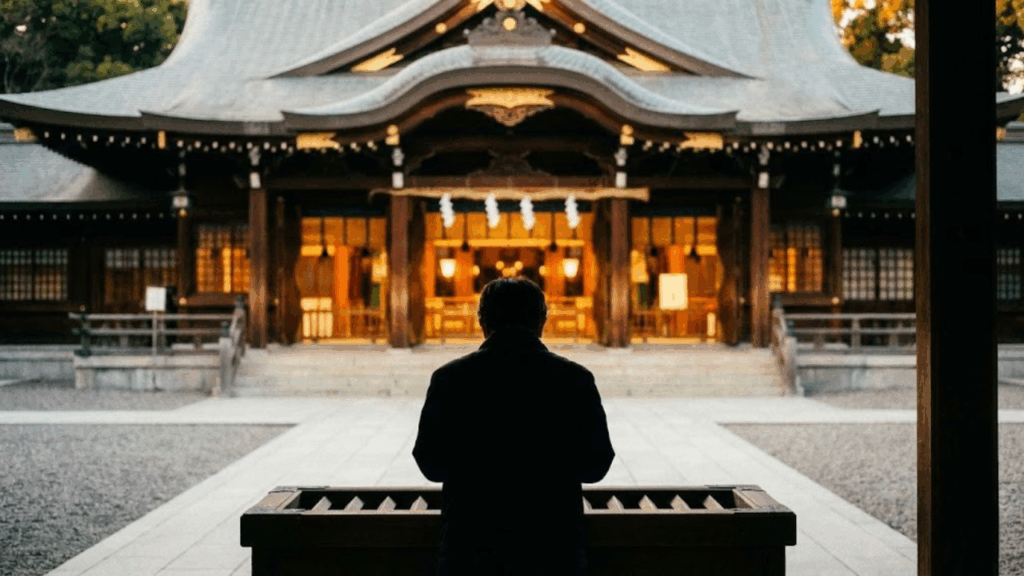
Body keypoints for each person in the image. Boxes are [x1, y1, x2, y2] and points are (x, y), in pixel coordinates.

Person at [413, 277, 616, 576]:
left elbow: (430, 464)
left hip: (470, 544)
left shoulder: (451, 379)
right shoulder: (573, 379)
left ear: (482, 321)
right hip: (553, 545)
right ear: (542, 320)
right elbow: (596, 466)